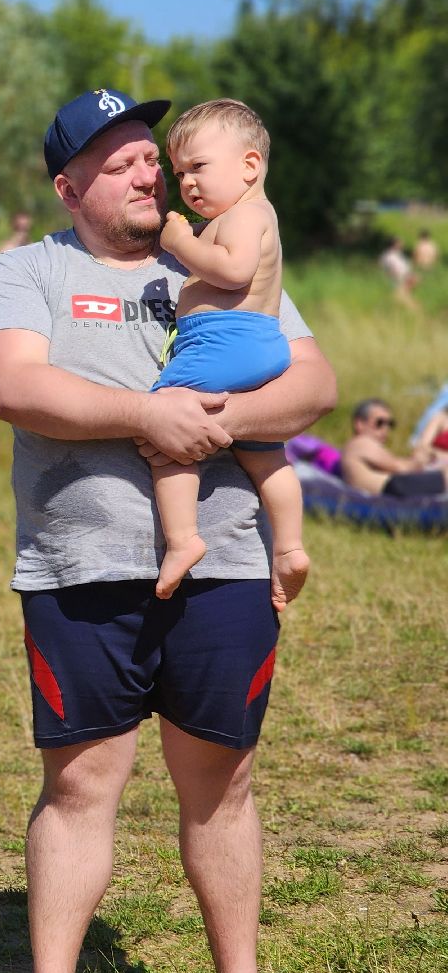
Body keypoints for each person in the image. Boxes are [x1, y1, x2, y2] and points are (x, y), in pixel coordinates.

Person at [0, 87, 336, 973]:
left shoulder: (225, 265)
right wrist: (147, 415)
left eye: (150, 154)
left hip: (231, 569)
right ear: (67, 185)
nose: (148, 168)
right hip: (79, 569)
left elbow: (314, 384)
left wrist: (212, 422)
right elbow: (14, 387)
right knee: (82, 789)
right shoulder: (26, 272)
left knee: (223, 786)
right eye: (118, 157)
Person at [152, 100, 309, 607]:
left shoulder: (246, 214)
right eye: (178, 174)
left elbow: (234, 270)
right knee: (264, 452)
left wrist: (180, 242)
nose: (187, 184)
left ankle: (183, 539)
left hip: (226, 340)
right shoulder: (247, 213)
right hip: (256, 342)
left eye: (198, 167)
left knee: (163, 423)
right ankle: (288, 547)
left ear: (249, 166)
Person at [340, 398, 446, 497]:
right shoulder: (360, 443)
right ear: (360, 424)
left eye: (389, 424)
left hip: (393, 486)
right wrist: (419, 461)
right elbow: (400, 468)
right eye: (380, 423)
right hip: (392, 487)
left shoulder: (355, 447)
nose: (385, 429)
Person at [379, 236, 418, 308]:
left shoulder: (398, 255)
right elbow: (392, 271)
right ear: (394, 245)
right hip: (399, 283)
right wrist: (406, 277)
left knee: (406, 301)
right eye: (400, 243)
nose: (402, 244)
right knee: (410, 305)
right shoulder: (389, 256)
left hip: (404, 283)